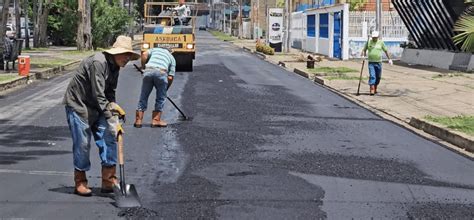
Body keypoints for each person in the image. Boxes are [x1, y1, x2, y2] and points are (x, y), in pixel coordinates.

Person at [63, 35, 140, 196]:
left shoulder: (116, 67)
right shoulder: (98, 63)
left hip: (97, 106)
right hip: (79, 105)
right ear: (115, 53)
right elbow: (98, 94)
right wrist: (111, 119)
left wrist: (114, 107)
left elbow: (109, 92)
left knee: (109, 137)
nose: (127, 58)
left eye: (129, 55)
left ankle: (109, 179)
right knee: (83, 143)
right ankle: (80, 181)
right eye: (125, 54)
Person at [134, 47, 176, 128]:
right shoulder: (172, 58)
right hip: (161, 72)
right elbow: (170, 77)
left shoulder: (154, 50)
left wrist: (143, 67)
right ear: (171, 52)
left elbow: (144, 54)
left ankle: (138, 120)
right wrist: (165, 89)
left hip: (148, 71)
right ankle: (156, 120)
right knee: (160, 98)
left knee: (144, 95)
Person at [362, 31, 393, 95]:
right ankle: (372, 89)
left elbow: (386, 50)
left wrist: (389, 59)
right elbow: (364, 49)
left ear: (378, 37)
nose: (374, 38)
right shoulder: (369, 42)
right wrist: (363, 56)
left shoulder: (381, 42)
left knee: (378, 77)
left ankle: (375, 88)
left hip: (379, 62)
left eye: (375, 37)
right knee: (372, 76)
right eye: (373, 37)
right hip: (371, 62)